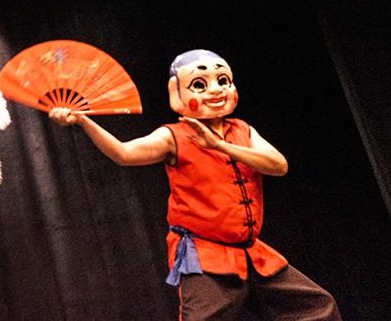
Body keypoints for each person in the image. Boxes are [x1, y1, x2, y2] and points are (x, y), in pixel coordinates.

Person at [49, 48, 341, 320]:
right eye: (200, 85)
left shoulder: (243, 130)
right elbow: (124, 154)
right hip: (205, 254)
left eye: (223, 80)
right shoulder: (174, 136)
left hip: (253, 252)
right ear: (177, 91)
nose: (215, 90)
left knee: (317, 307)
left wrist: (221, 146)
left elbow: (279, 166)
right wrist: (84, 121)